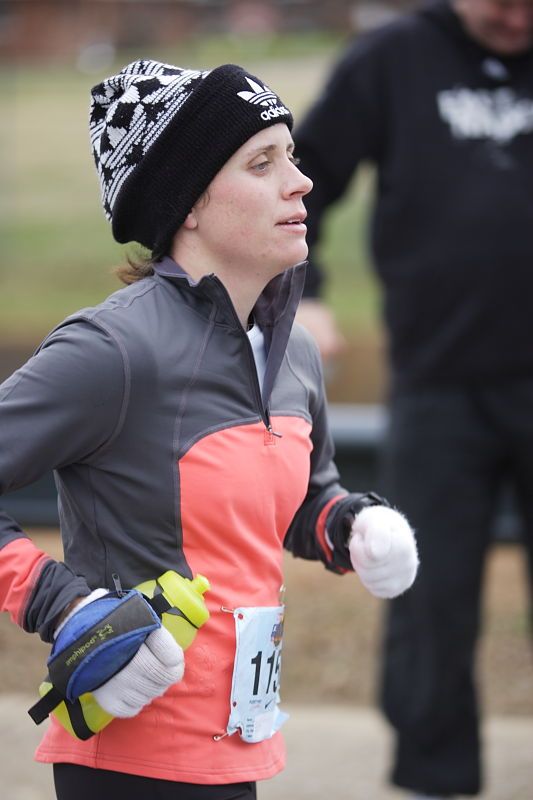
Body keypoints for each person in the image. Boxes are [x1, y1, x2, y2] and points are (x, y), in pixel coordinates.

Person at [0, 59, 419, 800]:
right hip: (132, 762)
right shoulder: (112, 352)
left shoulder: (291, 349)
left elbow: (295, 503)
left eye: (291, 156)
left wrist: (348, 523)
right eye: (263, 162)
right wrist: (64, 607)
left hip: (244, 749)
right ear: (187, 203)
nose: (301, 183)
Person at [293, 1, 533, 798]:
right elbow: (299, 181)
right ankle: (435, 775)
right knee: (428, 597)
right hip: (439, 382)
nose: (514, 14)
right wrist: (305, 293)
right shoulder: (390, 60)